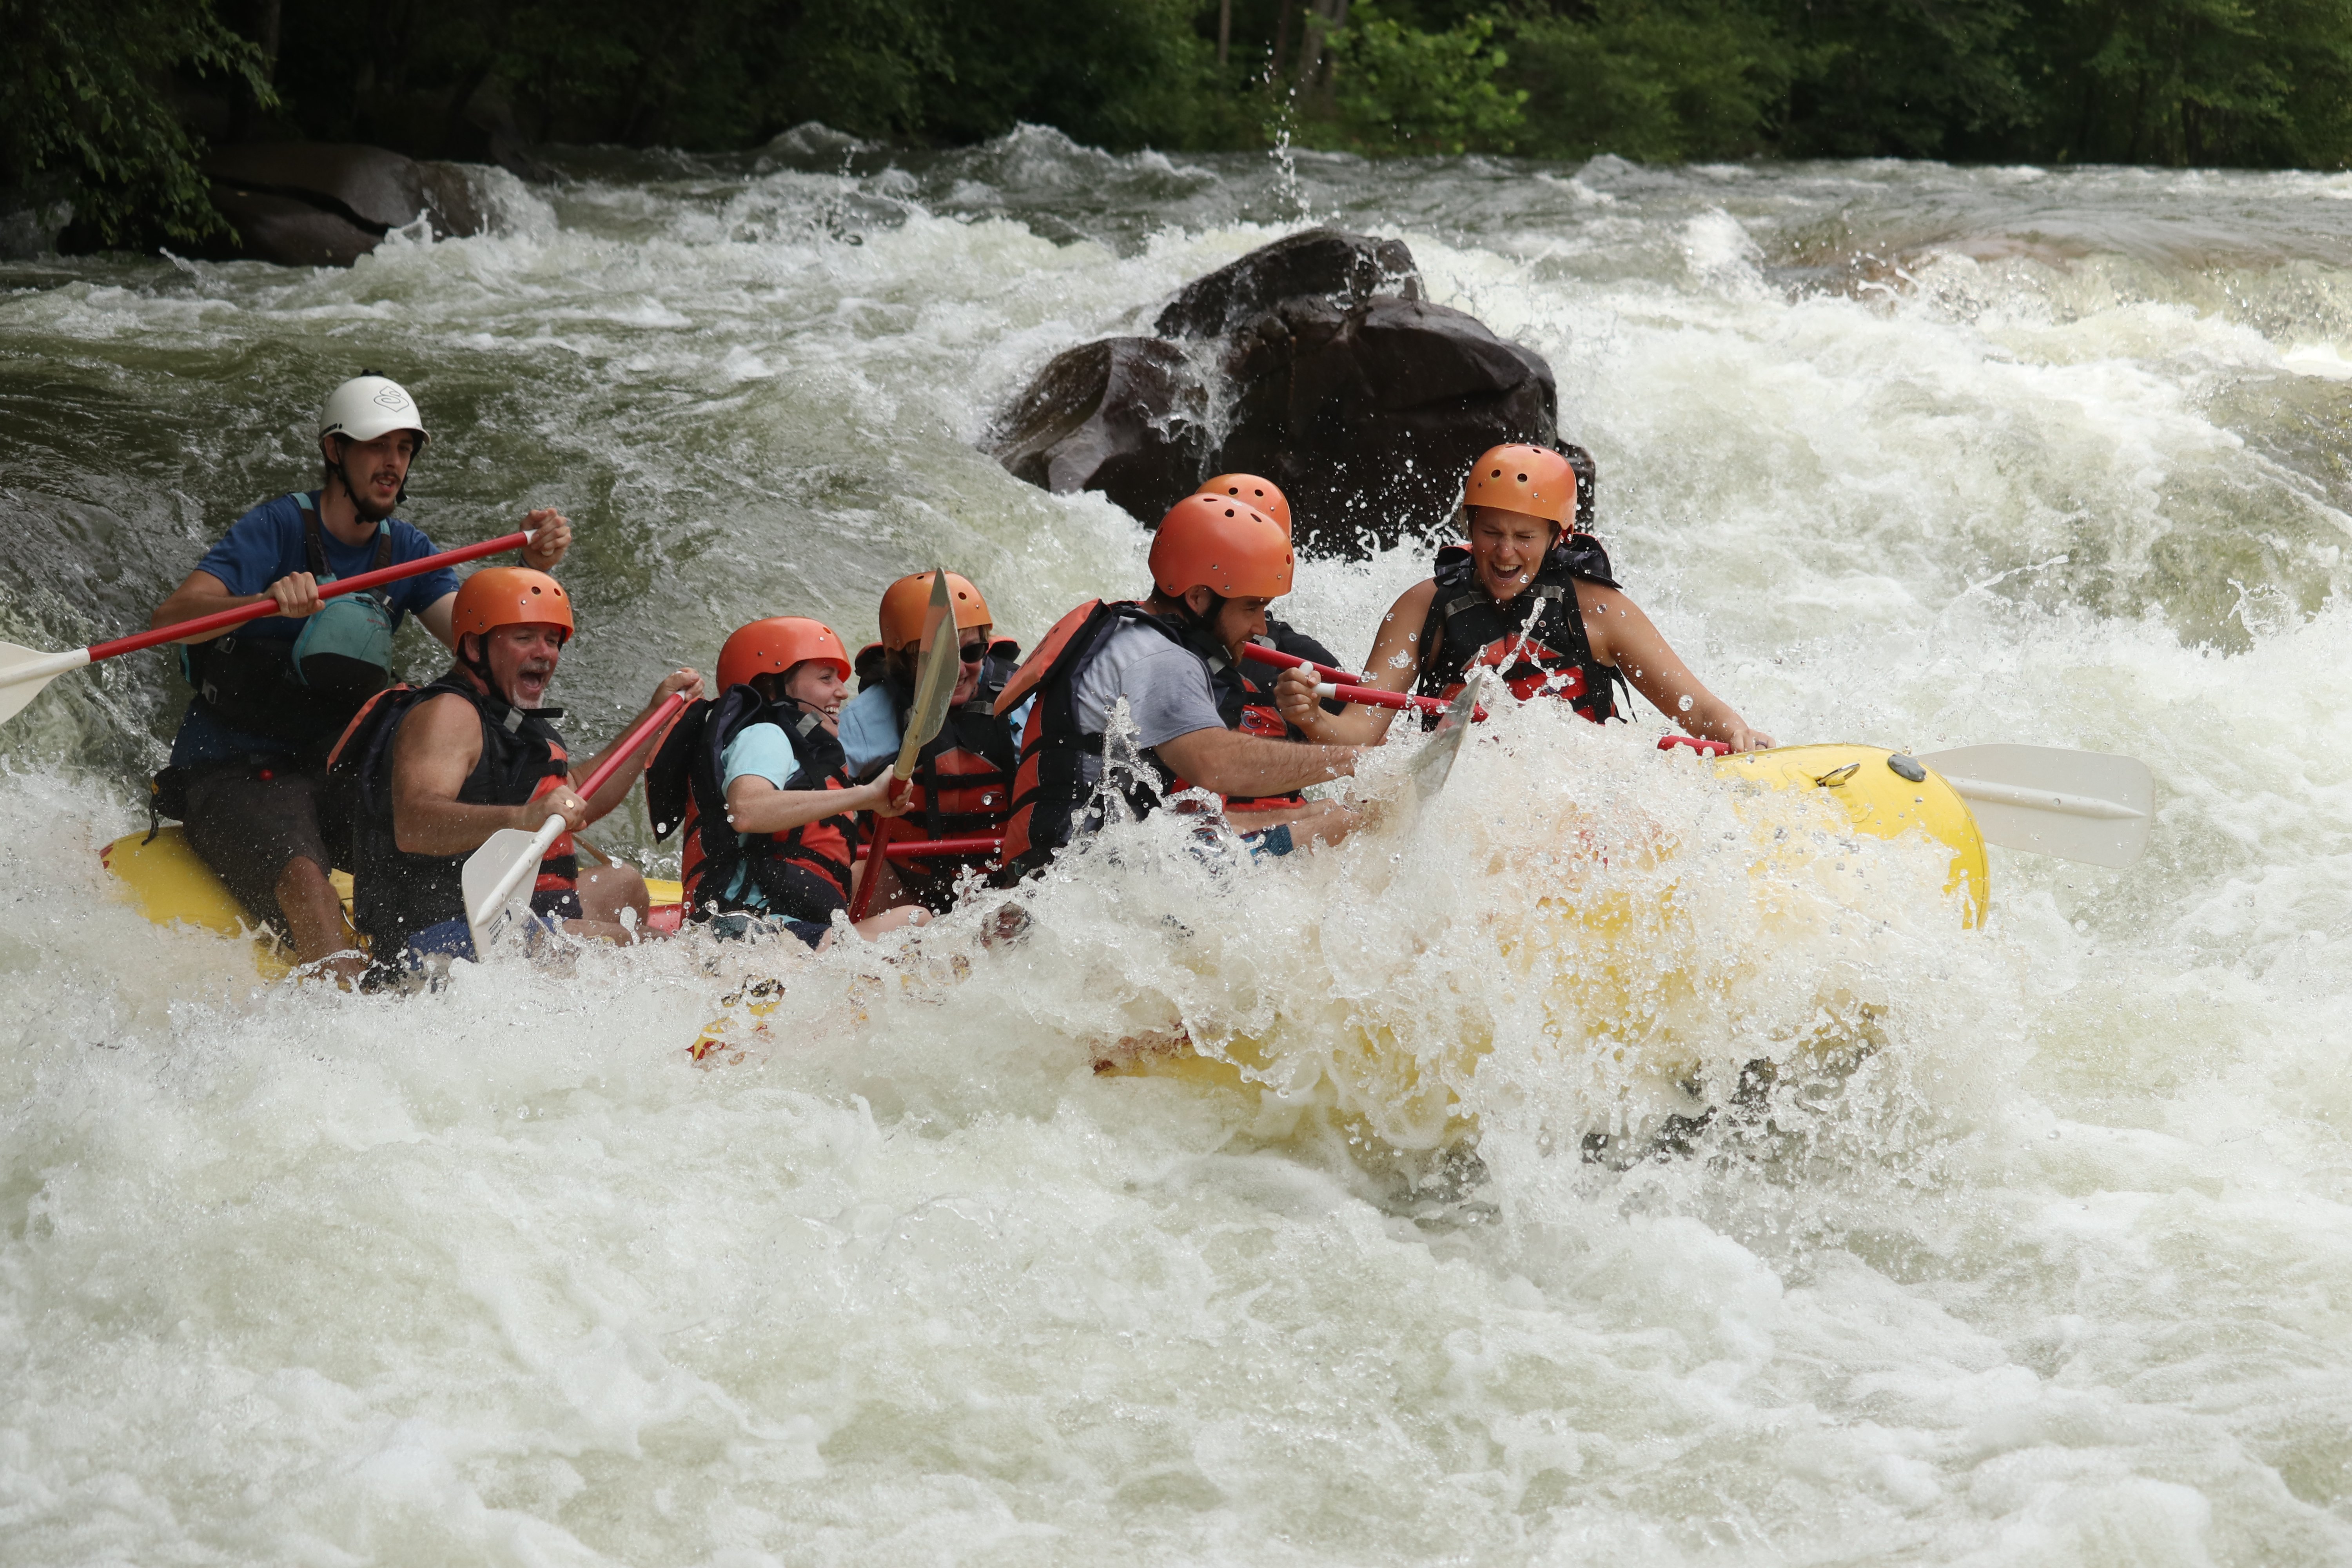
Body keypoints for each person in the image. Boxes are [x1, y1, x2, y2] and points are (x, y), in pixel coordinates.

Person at [147, 372, 572, 978]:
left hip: (336, 772)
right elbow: (171, 619)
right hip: (234, 769)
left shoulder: (408, 550)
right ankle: (346, 1018)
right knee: (305, 881)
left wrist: (525, 573)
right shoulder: (277, 529)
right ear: (334, 451)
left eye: (403, 449)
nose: (392, 463)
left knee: (449, 837)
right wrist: (262, 598)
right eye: (377, 446)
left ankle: (449, 979)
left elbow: (480, 642)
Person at [1275, 442, 1775, 752]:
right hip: (1470, 792)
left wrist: (1733, 728)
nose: (1505, 552)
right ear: (1469, 527)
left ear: (1558, 537)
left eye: (1525, 536)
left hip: (1579, 785)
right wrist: (1312, 717)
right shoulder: (1424, 607)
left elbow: (1694, 708)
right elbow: (1364, 731)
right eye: (1491, 532)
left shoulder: (1599, 611)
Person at [332, 567, 697, 972]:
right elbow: (415, 823)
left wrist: (654, 718)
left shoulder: (508, 715)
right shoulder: (449, 714)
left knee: (625, 882)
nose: (545, 653)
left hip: (505, 913)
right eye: (525, 638)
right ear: (474, 647)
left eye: (552, 640)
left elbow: (574, 797)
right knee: (642, 945)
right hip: (440, 936)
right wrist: (524, 817)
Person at [994, 494, 1370, 882]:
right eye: (1250, 607)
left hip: (1070, 870)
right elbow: (1218, 765)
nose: (1261, 626)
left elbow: (1186, 817)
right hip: (1087, 882)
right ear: (1198, 597)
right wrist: (1357, 760)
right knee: (1343, 823)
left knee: (1321, 811)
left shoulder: (1128, 630)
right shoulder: (1160, 661)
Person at [646, 617, 927, 947]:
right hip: (746, 930)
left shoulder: (803, 757)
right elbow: (747, 811)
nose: (842, 691)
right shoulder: (765, 735)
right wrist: (865, 796)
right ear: (770, 687)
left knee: (904, 910)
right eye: (826, 678)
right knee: (914, 925)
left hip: (783, 930)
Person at [837, 571, 1028, 914]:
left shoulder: (1023, 701)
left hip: (1002, 882)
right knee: (843, 877)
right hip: (901, 881)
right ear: (904, 661)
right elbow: (815, 796)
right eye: (937, 659)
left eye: (971, 651)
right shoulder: (867, 719)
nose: (957, 671)